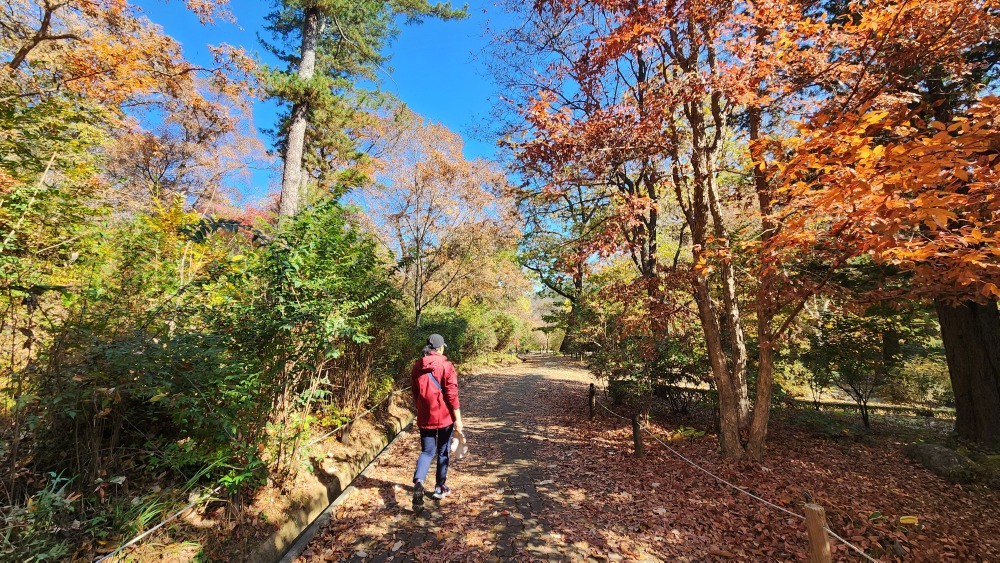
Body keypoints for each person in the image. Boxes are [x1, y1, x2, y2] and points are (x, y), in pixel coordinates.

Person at [410, 333, 463, 507]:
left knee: (426, 452)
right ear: (439, 349)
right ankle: (440, 487)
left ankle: (419, 482)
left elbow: (415, 393)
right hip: (444, 417)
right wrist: (458, 419)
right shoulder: (446, 366)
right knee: (443, 451)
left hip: (426, 416)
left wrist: (422, 409)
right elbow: (451, 394)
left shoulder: (418, 366)